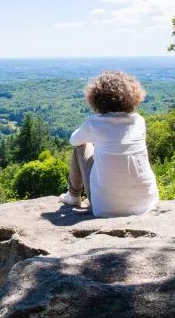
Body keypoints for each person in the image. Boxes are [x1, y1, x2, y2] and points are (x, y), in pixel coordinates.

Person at [59, 71, 159, 217]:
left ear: (96, 98)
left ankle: (73, 196)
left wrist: (90, 135)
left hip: (106, 206)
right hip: (145, 202)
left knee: (82, 146)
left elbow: (74, 140)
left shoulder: (94, 123)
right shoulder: (138, 121)